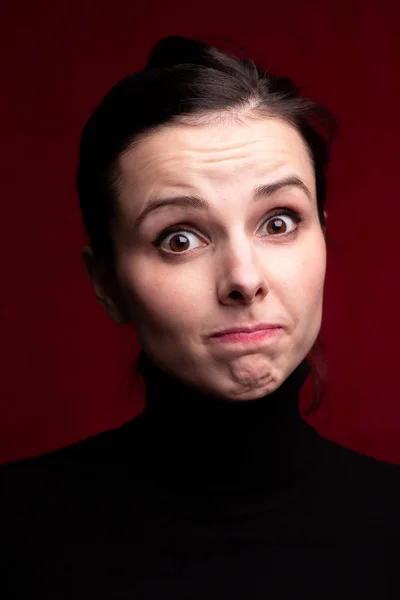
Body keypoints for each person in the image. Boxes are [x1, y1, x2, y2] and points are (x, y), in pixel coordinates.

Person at [1, 35, 400, 599]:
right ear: (107, 283)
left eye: (279, 222)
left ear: (325, 237)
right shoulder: (15, 535)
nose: (243, 278)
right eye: (180, 237)